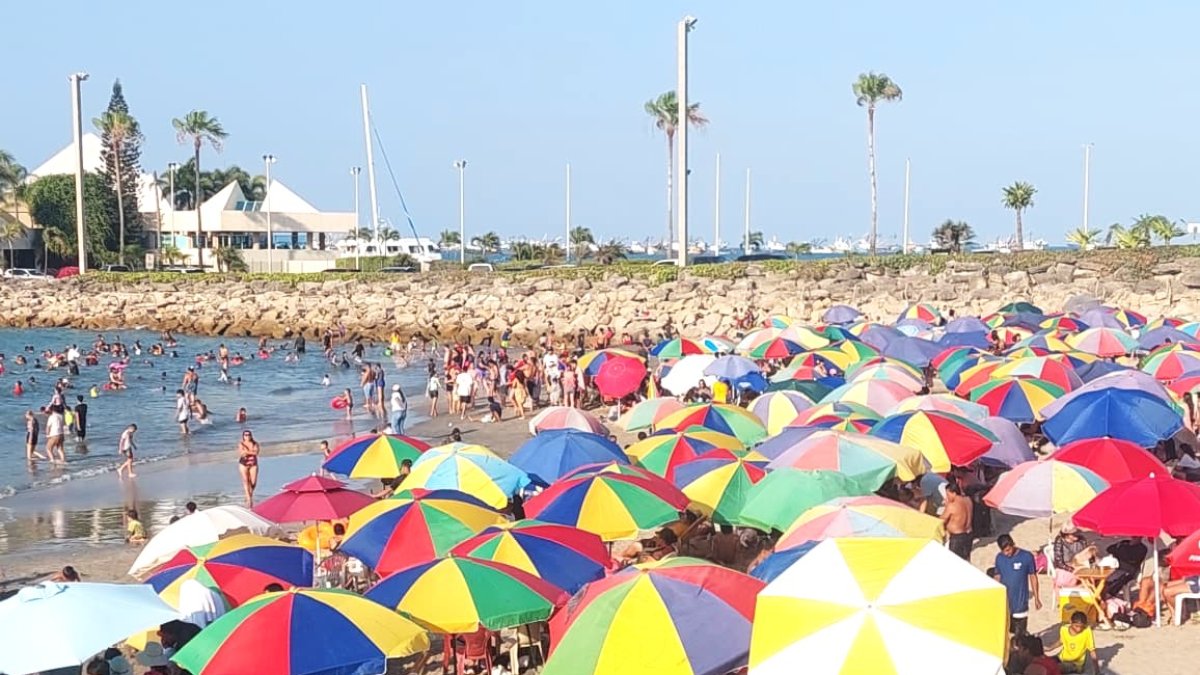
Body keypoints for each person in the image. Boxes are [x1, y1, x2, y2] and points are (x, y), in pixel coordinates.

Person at [995, 533, 1041, 635]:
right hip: (1005, 601)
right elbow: (997, 575)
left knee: (1020, 634)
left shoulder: (1026, 557)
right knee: (1007, 632)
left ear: (1013, 544)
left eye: (1008, 550)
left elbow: (1033, 576)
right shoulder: (999, 558)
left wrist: (1037, 598)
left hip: (1020, 602)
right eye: (1003, 551)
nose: (1006, 553)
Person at [942, 481, 973, 560]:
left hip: (957, 537)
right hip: (969, 534)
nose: (947, 497)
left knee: (955, 561)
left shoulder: (952, 506)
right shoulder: (968, 500)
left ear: (954, 493)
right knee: (966, 558)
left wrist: (946, 505)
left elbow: (942, 520)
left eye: (948, 494)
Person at [238, 430, 261, 506]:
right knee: (246, 480)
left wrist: (247, 451)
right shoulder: (241, 444)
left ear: (251, 436)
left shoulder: (255, 443)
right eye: (245, 435)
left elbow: (256, 453)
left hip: (253, 463)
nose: (247, 436)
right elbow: (242, 453)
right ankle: (249, 498)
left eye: (248, 435)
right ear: (243, 436)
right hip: (243, 463)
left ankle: (249, 495)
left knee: (253, 482)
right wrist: (251, 451)